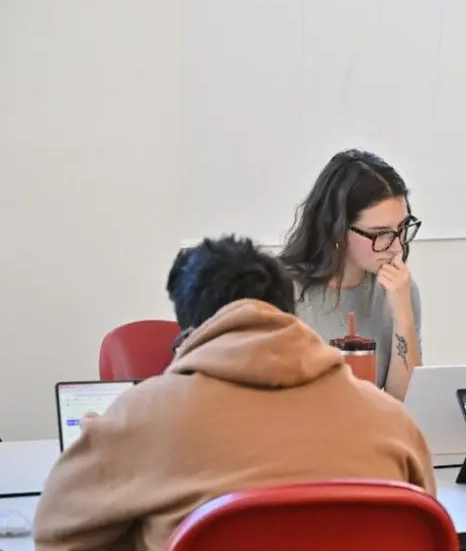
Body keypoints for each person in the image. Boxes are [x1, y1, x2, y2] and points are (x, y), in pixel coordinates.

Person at [33, 235, 435, 551]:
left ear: (190, 332)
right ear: (287, 314)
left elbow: (56, 537)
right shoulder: (392, 424)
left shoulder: (136, 419)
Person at [280, 149, 423, 400]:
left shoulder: (400, 289)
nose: (397, 246)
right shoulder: (279, 291)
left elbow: (403, 406)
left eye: (402, 229)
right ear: (336, 231)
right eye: (380, 233)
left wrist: (404, 318)